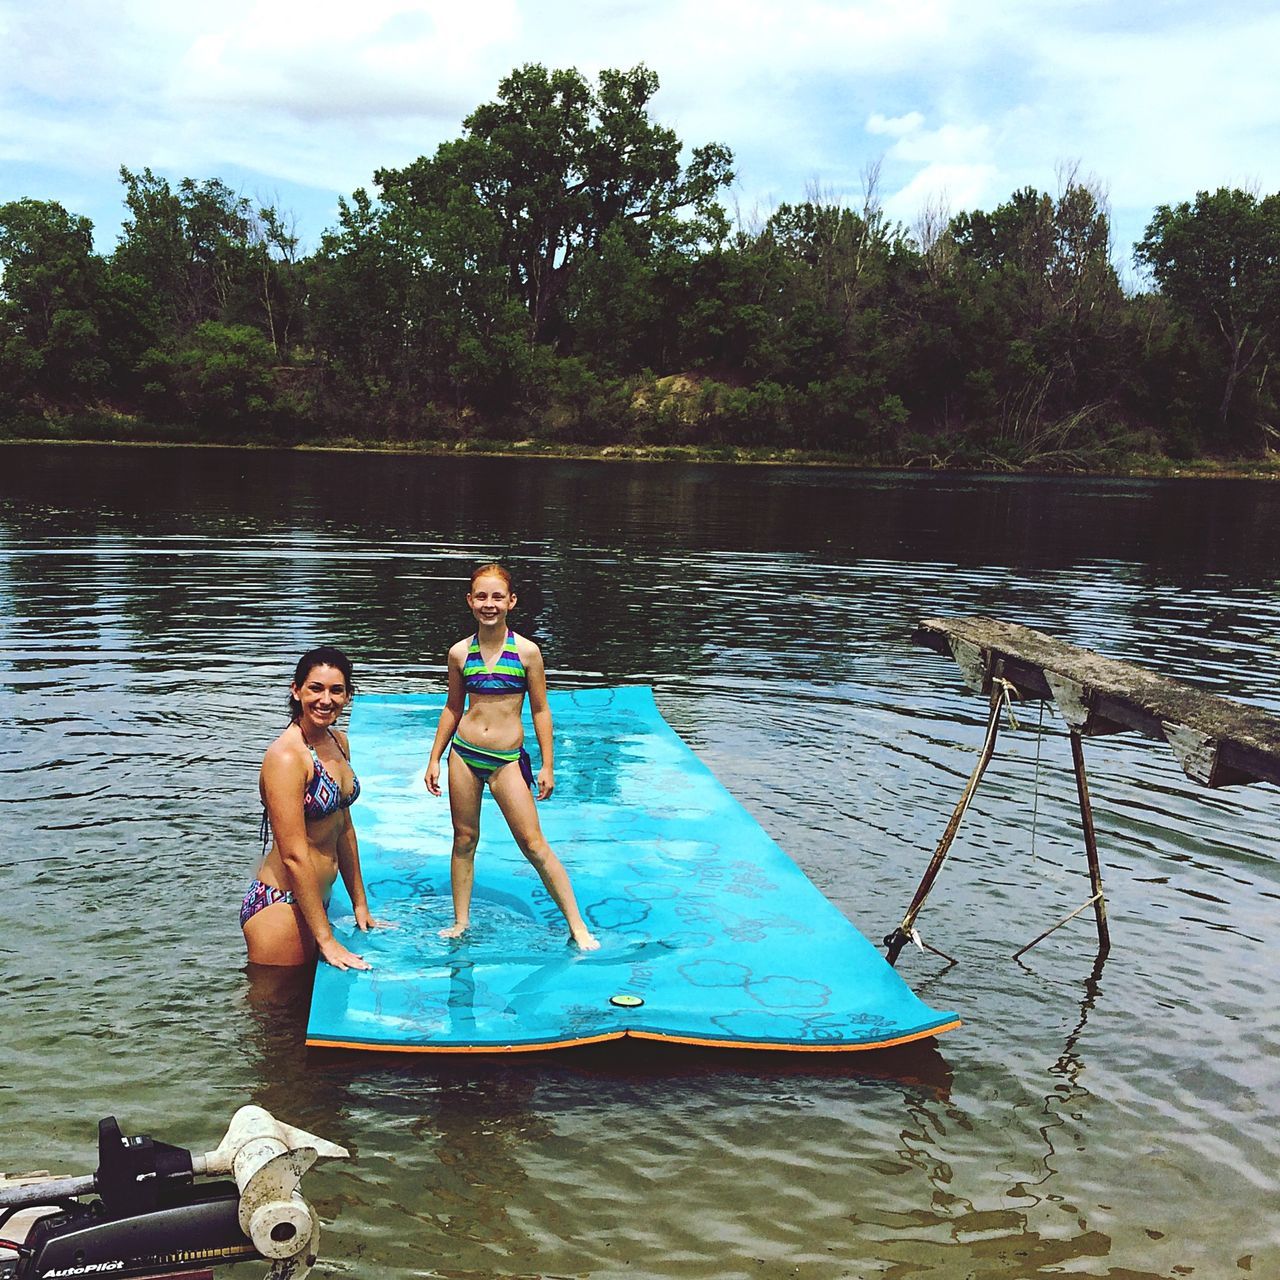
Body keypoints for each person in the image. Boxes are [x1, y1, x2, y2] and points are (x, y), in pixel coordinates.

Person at [424, 564, 600, 950]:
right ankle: (460, 922)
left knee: (534, 843)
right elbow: (453, 708)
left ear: (511, 602)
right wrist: (435, 757)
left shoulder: (526, 652)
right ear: (470, 601)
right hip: (465, 755)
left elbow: (540, 710)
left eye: (497, 597)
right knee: (465, 838)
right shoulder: (459, 653)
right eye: (482, 597)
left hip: (505, 759)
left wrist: (547, 765)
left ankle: (577, 925)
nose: (490, 604)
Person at [242, 645, 376, 970]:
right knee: (275, 1016)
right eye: (315, 688)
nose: (325, 700)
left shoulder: (339, 743)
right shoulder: (287, 757)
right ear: (296, 690)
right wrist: (326, 940)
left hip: (316, 900)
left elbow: (343, 827)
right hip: (283, 904)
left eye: (336, 690)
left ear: (347, 695)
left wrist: (360, 905)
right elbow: (293, 855)